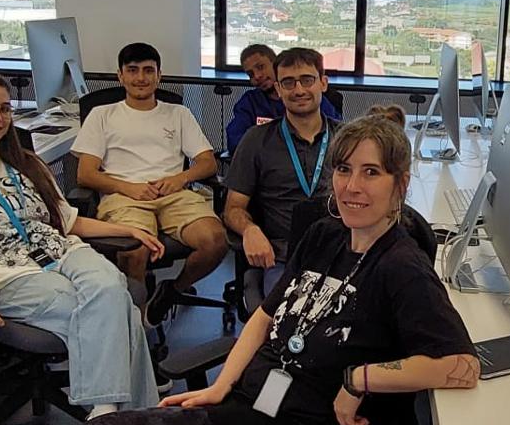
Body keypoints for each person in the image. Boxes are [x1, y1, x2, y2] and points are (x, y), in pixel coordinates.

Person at [0, 111, 479, 425]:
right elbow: (262, 316)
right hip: (245, 409)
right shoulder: (326, 234)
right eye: (344, 169)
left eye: (372, 173)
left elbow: (461, 365)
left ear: (400, 185)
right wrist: (221, 387)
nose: (351, 186)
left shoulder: (402, 268)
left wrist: (359, 380)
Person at [0, 70, 164, 419]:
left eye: (4, 109)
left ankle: (107, 410)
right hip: (9, 273)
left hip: (64, 251)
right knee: (116, 308)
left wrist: (128, 229)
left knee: (110, 285)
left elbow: (69, 221)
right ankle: (126, 416)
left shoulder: (28, 164)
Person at [73, 42, 227, 326]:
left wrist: (179, 178)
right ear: (120, 76)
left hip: (174, 194)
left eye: (148, 70)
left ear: (159, 75)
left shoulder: (178, 114)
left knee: (216, 241)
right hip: (124, 196)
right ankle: (135, 321)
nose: (141, 78)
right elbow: (86, 174)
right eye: (132, 71)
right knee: (135, 250)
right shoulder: (102, 115)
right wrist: (128, 187)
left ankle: (172, 291)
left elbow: (208, 163)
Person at [224, 47, 341, 295]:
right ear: (278, 89)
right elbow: (232, 209)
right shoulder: (256, 140)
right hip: (284, 259)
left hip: (341, 252)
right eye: (288, 83)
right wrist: (249, 229)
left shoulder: (347, 140)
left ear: (323, 83)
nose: (298, 90)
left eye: (307, 80)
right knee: (288, 324)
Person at [226, 43, 342, 155]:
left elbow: (336, 136)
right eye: (251, 74)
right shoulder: (250, 102)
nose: (257, 76)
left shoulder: (309, 99)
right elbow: (235, 142)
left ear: (276, 65)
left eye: (261, 67)